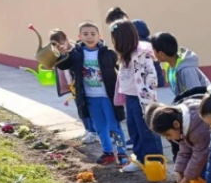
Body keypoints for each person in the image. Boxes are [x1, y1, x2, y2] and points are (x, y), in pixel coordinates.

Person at [55, 22, 128, 166]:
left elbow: (122, 68)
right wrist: (62, 55)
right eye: (85, 34)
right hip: (89, 97)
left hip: (108, 97)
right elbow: (64, 65)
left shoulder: (108, 52)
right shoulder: (75, 53)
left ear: (99, 36)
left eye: (93, 34)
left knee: (114, 127)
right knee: (99, 127)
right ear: (79, 36)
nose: (89, 37)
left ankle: (121, 152)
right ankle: (108, 152)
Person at [109, 19, 165, 173]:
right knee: (134, 131)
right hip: (130, 97)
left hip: (142, 100)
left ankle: (155, 162)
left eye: (115, 39)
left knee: (147, 132)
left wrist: (147, 102)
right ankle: (141, 159)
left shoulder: (142, 54)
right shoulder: (124, 55)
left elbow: (151, 78)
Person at [150, 31, 211, 162]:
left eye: (153, 51)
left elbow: (197, 95)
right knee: (173, 138)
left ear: (161, 53)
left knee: (182, 139)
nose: (152, 54)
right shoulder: (170, 66)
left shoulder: (186, 70)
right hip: (186, 106)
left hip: (201, 109)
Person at [49, 29, 97, 145]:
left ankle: (93, 132)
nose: (59, 47)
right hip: (72, 86)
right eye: (55, 45)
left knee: (88, 109)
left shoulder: (77, 50)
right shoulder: (59, 53)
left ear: (66, 40)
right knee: (80, 109)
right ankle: (87, 130)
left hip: (82, 85)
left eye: (61, 44)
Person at [104, 6, 165, 87]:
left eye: (113, 27)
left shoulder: (128, 42)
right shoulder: (142, 39)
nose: (112, 31)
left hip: (143, 84)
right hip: (153, 79)